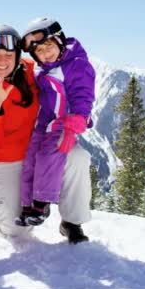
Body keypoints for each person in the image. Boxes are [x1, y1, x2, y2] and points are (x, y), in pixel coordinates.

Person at [0, 24, 93, 244]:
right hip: (9, 158)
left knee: (78, 157)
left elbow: (69, 88)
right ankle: (5, 222)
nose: (3, 60)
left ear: (18, 55)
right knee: (15, 231)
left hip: (44, 144)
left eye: (9, 54)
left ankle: (72, 222)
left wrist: (82, 117)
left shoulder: (33, 71)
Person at [14, 17, 96, 227]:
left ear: (60, 41)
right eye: (39, 51)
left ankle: (42, 203)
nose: (45, 53)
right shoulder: (44, 68)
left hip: (63, 123)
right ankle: (27, 206)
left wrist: (78, 120)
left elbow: (83, 95)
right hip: (43, 124)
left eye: (48, 46)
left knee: (49, 153)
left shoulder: (76, 65)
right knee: (31, 156)